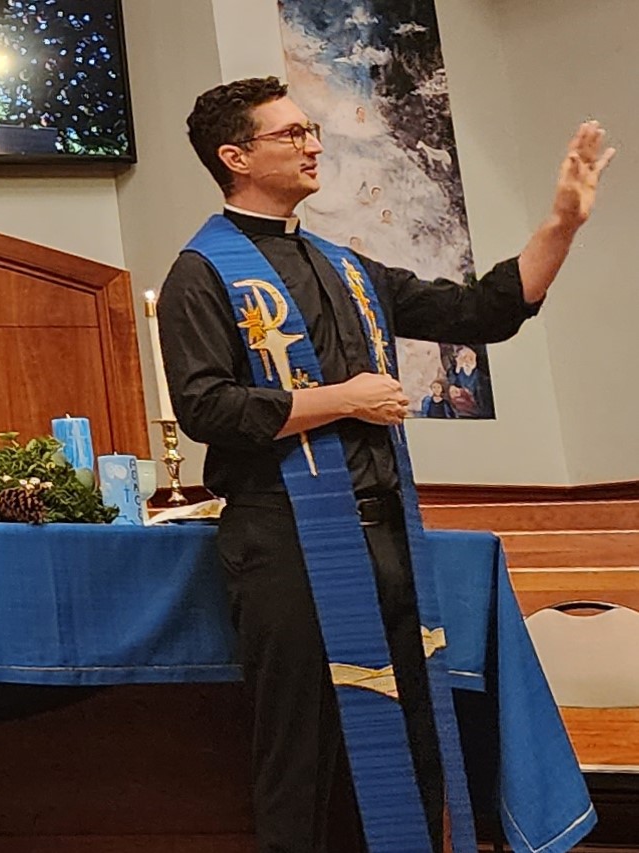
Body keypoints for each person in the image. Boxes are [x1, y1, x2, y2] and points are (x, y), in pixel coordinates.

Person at [157, 77, 613, 853]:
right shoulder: (201, 272)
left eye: (310, 130)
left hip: (387, 531)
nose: (313, 144)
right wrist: (342, 399)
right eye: (290, 133)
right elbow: (208, 410)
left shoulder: (343, 265)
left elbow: (476, 312)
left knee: (415, 731)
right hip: (283, 539)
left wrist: (561, 225)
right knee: (300, 748)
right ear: (233, 156)